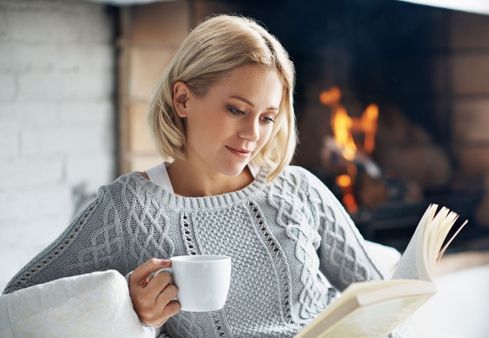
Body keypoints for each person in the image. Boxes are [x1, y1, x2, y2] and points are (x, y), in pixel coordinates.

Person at [3, 14, 409, 337]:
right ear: (183, 99)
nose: (253, 134)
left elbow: (384, 305)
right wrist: (130, 309)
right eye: (236, 110)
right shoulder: (132, 208)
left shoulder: (298, 189)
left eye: (267, 117)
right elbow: (19, 306)